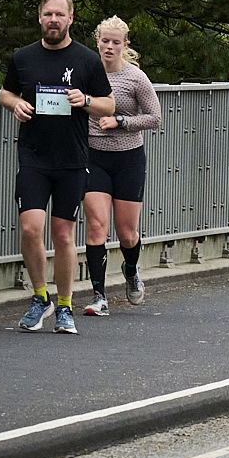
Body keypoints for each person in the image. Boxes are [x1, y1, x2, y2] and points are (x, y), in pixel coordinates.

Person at [0, 0, 116, 335]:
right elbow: (5, 92)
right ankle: (40, 297)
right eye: (48, 14)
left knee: (63, 233)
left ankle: (65, 305)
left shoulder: (86, 60)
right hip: (34, 156)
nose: (53, 20)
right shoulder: (23, 57)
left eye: (59, 15)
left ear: (70, 19)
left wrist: (86, 100)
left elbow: (108, 105)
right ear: (39, 18)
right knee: (30, 228)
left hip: (71, 159)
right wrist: (14, 104)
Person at [81, 16, 162, 316]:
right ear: (97, 42)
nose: (110, 47)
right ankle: (98, 295)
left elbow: (155, 117)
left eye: (116, 42)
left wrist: (121, 121)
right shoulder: (86, 74)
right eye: (105, 41)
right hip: (93, 157)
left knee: (127, 233)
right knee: (96, 225)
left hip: (128, 158)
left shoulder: (134, 78)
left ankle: (130, 269)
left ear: (125, 45)